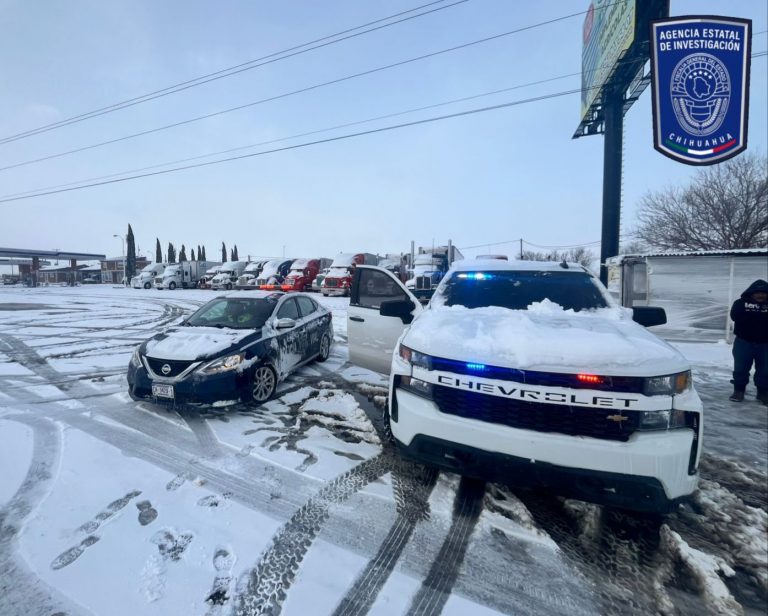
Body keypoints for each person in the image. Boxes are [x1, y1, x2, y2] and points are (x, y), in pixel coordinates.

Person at [729, 279, 768, 404]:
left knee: (765, 370)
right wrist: (757, 311)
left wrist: (755, 313)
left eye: (763, 292)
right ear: (751, 293)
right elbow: (734, 316)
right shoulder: (740, 303)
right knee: (740, 368)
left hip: (766, 344)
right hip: (744, 342)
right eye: (757, 292)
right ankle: (739, 390)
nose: (760, 295)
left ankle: (763, 393)